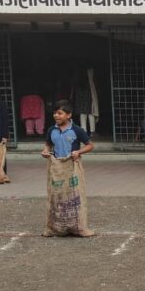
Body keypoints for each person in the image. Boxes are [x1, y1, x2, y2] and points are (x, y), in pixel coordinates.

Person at [41, 100, 96, 237]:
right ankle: (56, 228)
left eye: (60, 113)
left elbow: (90, 145)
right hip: (56, 168)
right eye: (55, 113)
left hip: (72, 166)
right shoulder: (51, 130)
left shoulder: (77, 130)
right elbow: (48, 144)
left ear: (69, 115)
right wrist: (45, 151)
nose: (56, 116)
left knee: (74, 195)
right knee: (56, 195)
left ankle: (79, 227)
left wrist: (79, 152)